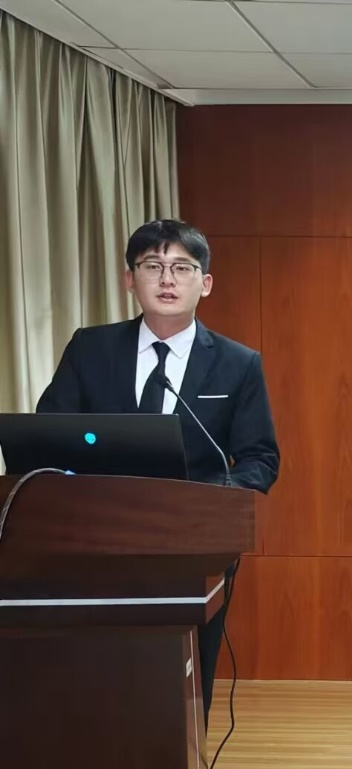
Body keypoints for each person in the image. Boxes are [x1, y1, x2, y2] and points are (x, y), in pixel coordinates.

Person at [37, 219, 280, 722]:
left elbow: (260, 459)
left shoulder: (238, 364)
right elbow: (46, 437)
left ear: (204, 283)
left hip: (192, 551)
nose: (167, 279)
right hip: (95, 549)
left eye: (182, 268)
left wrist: (210, 503)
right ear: (130, 280)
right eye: (153, 266)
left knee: (184, 689)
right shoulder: (90, 349)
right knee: (99, 688)